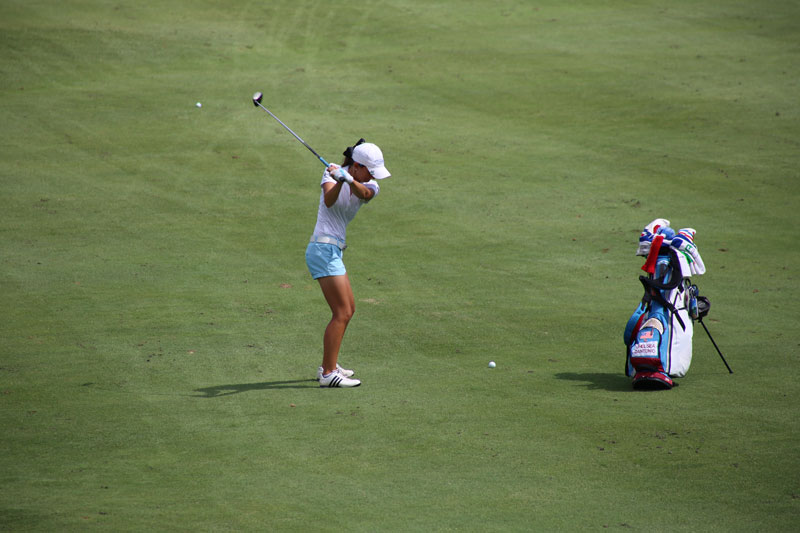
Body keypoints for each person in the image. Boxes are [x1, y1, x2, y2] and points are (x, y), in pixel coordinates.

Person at [305, 139, 391, 388]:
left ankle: (328, 364)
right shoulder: (330, 173)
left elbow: (365, 193)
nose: (372, 177)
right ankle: (328, 373)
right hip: (322, 249)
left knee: (348, 310)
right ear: (356, 165)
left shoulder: (370, 185)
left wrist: (349, 179)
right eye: (369, 171)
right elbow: (329, 200)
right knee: (341, 312)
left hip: (333, 251)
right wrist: (339, 179)